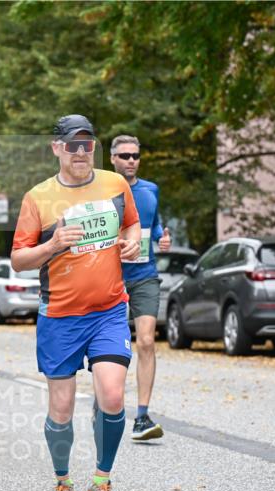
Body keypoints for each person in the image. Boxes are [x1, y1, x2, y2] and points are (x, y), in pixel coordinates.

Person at [10, 114, 141, 491]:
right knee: (62, 408)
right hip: (61, 316)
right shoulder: (38, 198)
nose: (81, 152)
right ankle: (62, 481)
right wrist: (53, 244)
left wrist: (133, 243)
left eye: (87, 144)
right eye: (72, 145)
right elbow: (17, 260)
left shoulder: (115, 184)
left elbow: (133, 224)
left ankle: (101, 483)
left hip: (109, 311)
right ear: (57, 148)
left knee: (113, 395)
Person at [111, 134, 171, 441]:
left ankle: (142, 417)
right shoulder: (102, 191)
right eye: (124, 156)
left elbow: (155, 222)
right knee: (113, 346)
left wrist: (162, 236)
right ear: (113, 159)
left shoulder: (151, 190)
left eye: (135, 155)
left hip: (145, 275)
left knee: (146, 341)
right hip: (111, 277)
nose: (131, 160)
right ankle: (108, 405)